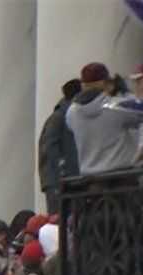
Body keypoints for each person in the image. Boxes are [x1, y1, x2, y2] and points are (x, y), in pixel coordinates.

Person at [66, 62, 143, 176]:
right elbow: (142, 115)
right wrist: (126, 94)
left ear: (82, 85)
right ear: (106, 84)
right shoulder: (117, 106)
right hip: (121, 175)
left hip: (90, 178)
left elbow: (71, 127)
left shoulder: (71, 112)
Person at [39, 78, 82, 213]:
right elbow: (49, 151)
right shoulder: (59, 118)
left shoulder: (65, 116)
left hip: (64, 182)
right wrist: (59, 179)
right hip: (60, 183)